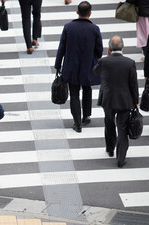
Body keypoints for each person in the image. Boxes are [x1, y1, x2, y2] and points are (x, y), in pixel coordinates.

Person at [54, 1, 103, 133]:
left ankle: (77, 123)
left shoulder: (68, 27)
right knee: (87, 89)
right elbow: (99, 50)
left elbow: (61, 49)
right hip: (88, 65)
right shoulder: (94, 29)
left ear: (77, 12)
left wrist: (58, 65)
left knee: (74, 93)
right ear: (90, 13)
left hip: (71, 66)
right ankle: (86, 116)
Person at [93, 36, 139, 168]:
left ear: (109, 48)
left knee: (109, 123)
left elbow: (95, 71)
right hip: (125, 101)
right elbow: (133, 84)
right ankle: (120, 159)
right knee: (122, 128)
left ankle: (110, 148)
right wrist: (135, 101)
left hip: (108, 99)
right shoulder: (129, 63)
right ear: (123, 47)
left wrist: (105, 56)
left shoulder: (103, 61)